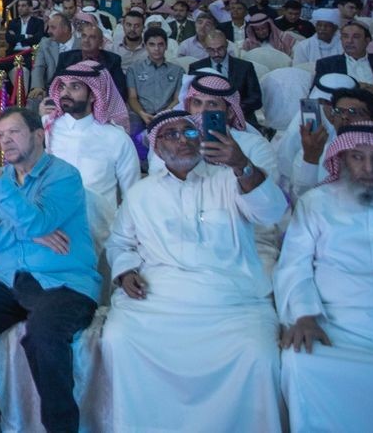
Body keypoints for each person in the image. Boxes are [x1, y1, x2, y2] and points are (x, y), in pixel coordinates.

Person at [101, 109, 288, 433]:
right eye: (171, 135)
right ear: (157, 148)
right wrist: (125, 272)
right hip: (160, 297)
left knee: (259, 354)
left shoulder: (230, 179)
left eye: (189, 132)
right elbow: (119, 243)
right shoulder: (141, 193)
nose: (182, 140)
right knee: (119, 338)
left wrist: (242, 164)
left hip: (231, 301)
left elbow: (272, 211)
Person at [0, 108, 100, 433]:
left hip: (63, 282)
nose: (6, 141)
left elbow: (38, 221)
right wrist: (28, 233)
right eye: (2, 135)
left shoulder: (63, 176)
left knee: (44, 333)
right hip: (10, 279)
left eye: (14, 132)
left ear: (38, 135)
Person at [273, 122, 373, 433]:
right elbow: (293, 265)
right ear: (342, 159)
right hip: (337, 326)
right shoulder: (316, 203)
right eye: (357, 157)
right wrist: (304, 316)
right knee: (300, 362)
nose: (368, 168)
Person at [39, 61, 140, 256]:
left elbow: (132, 195)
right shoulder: (47, 129)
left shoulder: (117, 138)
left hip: (99, 235)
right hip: (51, 232)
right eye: (63, 86)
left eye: (75, 87)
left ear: (94, 94)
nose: (65, 93)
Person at [185, 30, 264, 121]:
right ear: (205, 48)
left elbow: (256, 99)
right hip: (205, 117)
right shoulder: (197, 68)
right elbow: (191, 98)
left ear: (227, 45)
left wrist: (231, 109)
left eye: (220, 49)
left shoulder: (245, 67)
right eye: (211, 50)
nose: (216, 53)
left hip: (242, 116)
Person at [124, 27, 184, 126]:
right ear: (145, 46)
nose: (156, 49)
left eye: (160, 44)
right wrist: (142, 114)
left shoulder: (178, 71)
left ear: (166, 46)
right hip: (140, 116)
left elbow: (177, 99)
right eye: (152, 44)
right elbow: (132, 97)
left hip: (169, 115)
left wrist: (163, 115)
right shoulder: (134, 69)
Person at [313, 20, 373, 88]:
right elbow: (319, 90)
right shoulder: (327, 64)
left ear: (367, 41)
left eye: (356, 37)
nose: (349, 41)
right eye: (345, 36)